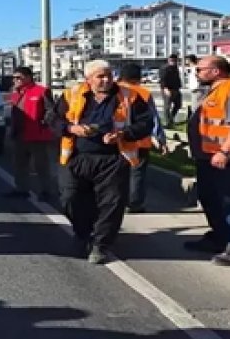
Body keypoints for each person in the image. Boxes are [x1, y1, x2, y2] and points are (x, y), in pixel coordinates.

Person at [50, 59, 155, 264]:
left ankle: (101, 244)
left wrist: (124, 134)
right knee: (71, 198)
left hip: (113, 158)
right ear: (88, 79)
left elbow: (146, 122)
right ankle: (82, 234)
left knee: (112, 203)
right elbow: (52, 119)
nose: (106, 80)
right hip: (77, 156)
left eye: (108, 75)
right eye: (100, 76)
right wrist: (72, 129)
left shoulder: (129, 96)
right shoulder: (72, 94)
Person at [184, 55, 230, 266]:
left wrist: (224, 151)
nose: (196, 73)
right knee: (210, 199)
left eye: (200, 69)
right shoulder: (213, 92)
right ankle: (220, 237)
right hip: (209, 157)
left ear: (216, 71)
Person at [118, 64, 166, 214]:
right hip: (140, 141)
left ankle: (119, 201)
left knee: (119, 174)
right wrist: (161, 139)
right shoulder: (143, 93)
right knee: (137, 173)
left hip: (118, 141)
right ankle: (135, 203)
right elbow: (153, 119)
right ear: (138, 77)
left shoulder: (113, 90)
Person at [4, 66, 56, 201]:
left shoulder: (41, 91)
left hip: (37, 135)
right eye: (14, 78)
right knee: (19, 164)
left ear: (28, 77)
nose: (15, 80)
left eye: (18, 78)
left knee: (41, 165)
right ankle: (21, 189)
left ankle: (46, 191)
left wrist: (44, 122)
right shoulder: (15, 92)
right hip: (19, 135)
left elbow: (51, 110)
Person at [159, 55, 183, 128]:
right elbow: (162, 79)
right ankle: (168, 123)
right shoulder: (165, 68)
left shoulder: (175, 68)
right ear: (169, 60)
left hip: (176, 89)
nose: (174, 62)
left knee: (178, 105)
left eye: (175, 60)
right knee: (167, 107)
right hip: (168, 89)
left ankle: (171, 119)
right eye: (172, 60)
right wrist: (165, 89)